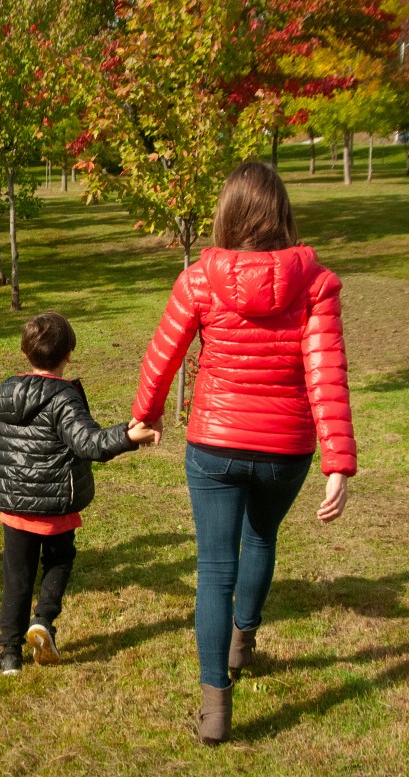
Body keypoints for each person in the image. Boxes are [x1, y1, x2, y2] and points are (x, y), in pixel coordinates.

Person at [131, 162, 356, 744]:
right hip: (286, 449)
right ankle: (241, 643)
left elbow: (163, 354)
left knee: (214, 568)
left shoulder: (200, 279)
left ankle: (215, 710)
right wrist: (337, 461)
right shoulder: (316, 283)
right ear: (282, 214)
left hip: (214, 442)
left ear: (226, 213)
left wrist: (146, 416)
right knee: (260, 538)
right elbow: (324, 372)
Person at [0, 312, 155, 675]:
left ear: (25, 354)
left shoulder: (7, 394)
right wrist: (129, 436)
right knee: (59, 560)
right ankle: (43, 619)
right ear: (69, 352)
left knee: (16, 578)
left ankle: (10, 654)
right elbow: (89, 443)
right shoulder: (64, 397)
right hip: (54, 506)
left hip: (15, 509)